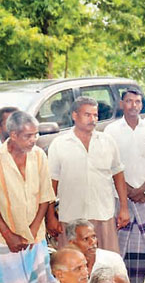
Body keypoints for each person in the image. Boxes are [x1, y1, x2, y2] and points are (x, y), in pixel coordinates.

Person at [48, 97, 130, 252]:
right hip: (71, 216)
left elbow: (118, 174)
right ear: (74, 115)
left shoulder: (107, 141)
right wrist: (51, 216)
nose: (93, 119)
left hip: (103, 214)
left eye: (95, 115)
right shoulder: (59, 144)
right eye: (87, 115)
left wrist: (124, 208)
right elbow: (52, 183)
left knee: (106, 263)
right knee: (72, 264)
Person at [104, 89, 145, 283]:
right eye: (129, 101)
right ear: (121, 104)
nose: (133, 105)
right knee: (123, 245)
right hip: (121, 197)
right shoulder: (111, 131)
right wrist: (128, 191)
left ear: (142, 104)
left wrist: (141, 189)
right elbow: (111, 166)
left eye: (137, 101)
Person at [0, 111, 56, 283]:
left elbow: (45, 195)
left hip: (35, 237)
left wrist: (33, 228)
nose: (34, 140)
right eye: (28, 136)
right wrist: (8, 235)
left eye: (36, 135)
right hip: (5, 242)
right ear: (12, 135)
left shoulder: (39, 156)